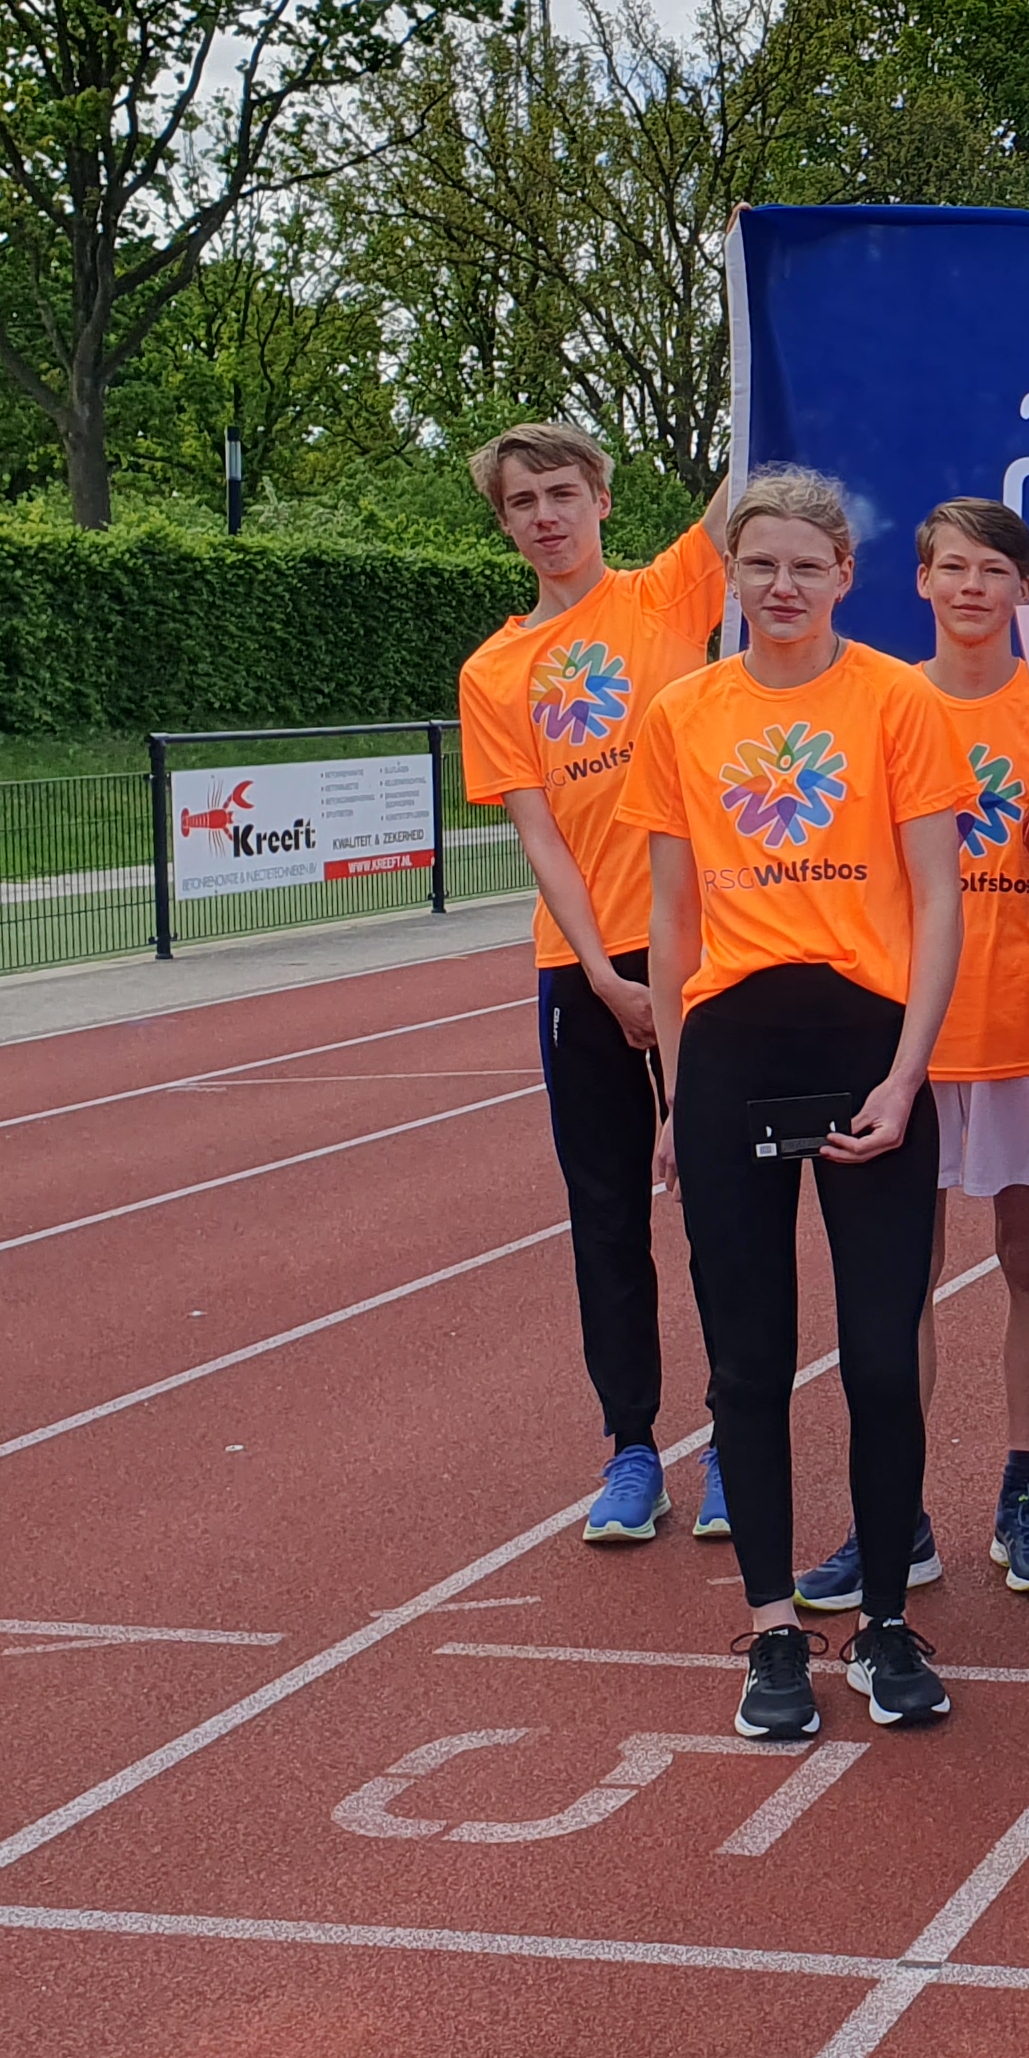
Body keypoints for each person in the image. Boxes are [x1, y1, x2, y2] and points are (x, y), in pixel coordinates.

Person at [622, 468, 970, 1743]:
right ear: (732, 572)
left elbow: (939, 900)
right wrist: (674, 1091)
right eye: (757, 564)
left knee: (883, 1357)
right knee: (748, 1364)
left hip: (868, 1040)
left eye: (803, 566)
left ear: (843, 575)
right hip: (728, 1051)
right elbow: (669, 917)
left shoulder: (900, 699)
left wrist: (909, 1070)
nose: (780, 587)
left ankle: (885, 1621)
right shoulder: (682, 712)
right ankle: (773, 1631)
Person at [794, 499, 1029, 1614]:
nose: (971, 588)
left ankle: (1026, 1491)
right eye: (951, 568)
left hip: (1024, 1020)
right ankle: (895, 1514)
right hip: (901, 1034)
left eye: (995, 571)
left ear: (1023, 590)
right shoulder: (878, 702)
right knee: (893, 1280)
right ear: (917, 582)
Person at [453, 419, 733, 1553]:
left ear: (603, 498)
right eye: (522, 503)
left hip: (710, 959)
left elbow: (755, 455)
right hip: (587, 971)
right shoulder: (494, 669)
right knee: (608, 1217)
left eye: (562, 492)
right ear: (507, 524)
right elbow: (542, 838)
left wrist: (755, 279)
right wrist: (610, 978)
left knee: (725, 1215)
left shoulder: (669, 595)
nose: (546, 517)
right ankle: (630, 1450)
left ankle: (733, 1442)